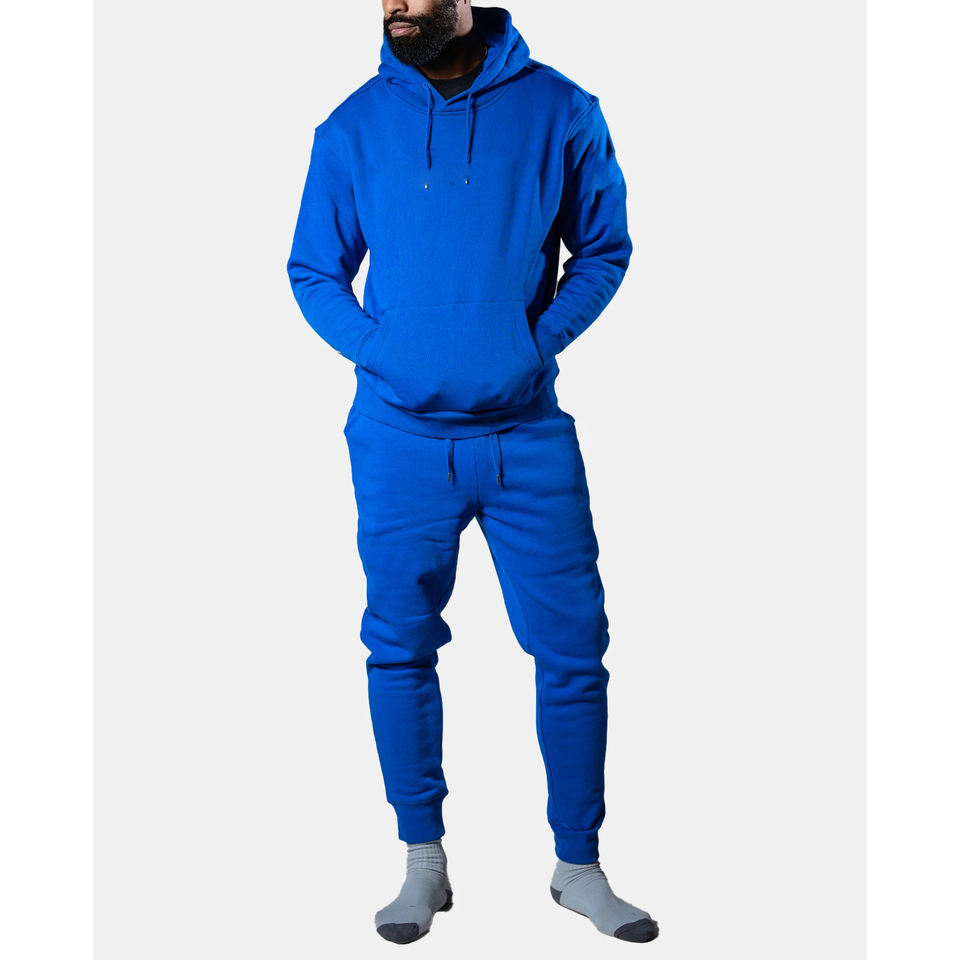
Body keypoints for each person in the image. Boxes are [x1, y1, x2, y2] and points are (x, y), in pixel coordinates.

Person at [286, 1, 658, 945]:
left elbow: (604, 249)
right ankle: (424, 862)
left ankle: (578, 866)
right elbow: (313, 271)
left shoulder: (561, 109)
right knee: (399, 646)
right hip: (397, 440)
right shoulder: (351, 125)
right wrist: (384, 353)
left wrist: (533, 345)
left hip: (527, 434)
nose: (395, 5)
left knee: (573, 652)